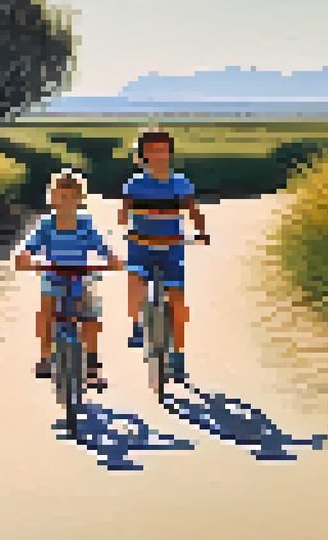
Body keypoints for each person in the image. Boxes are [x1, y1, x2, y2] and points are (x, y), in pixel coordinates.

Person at [15, 171, 123, 390]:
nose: (66, 202)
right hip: (53, 275)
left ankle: (92, 366)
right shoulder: (46, 225)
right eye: (61, 197)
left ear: (80, 200)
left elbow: (100, 246)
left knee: (90, 317)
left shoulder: (85, 224)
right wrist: (25, 257)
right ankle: (45, 357)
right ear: (52, 198)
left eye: (72, 197)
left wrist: (111, 258)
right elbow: (29, 247)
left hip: (80, 276)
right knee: (47, 309)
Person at [119, 130, 209, 382]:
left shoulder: (180, 182)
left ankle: (177, 355)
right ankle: (138, 325)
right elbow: (123, 213)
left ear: (169, 153)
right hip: (141, 244)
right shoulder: (135, 184)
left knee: (177, 300)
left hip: (172, 247)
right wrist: (125, 221)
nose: (158, 155)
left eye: (162, 150)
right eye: (152, 150)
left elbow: (193, 211)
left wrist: (201, 232)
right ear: (143, 155)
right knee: (135, 279)